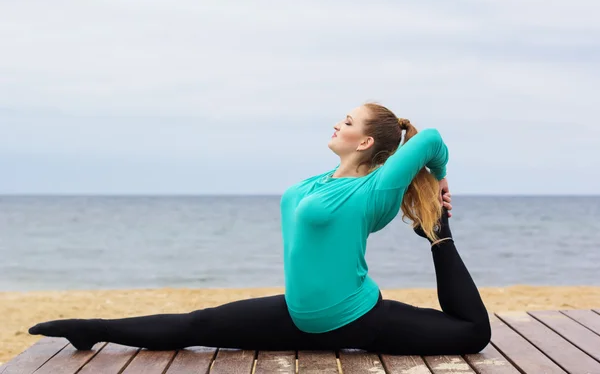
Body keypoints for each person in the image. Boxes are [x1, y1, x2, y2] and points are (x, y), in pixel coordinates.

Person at [28, 103, 491, 356]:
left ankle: (438, 235)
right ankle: (90, 328)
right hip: (297, 315)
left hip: (356, 319)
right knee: (199, 324)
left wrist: (441, 178)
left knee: (472, 335)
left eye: (347, 121)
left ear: (365, 141)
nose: (336, 122)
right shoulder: (317, 181)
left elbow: (429, 139)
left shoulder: (374, 189)